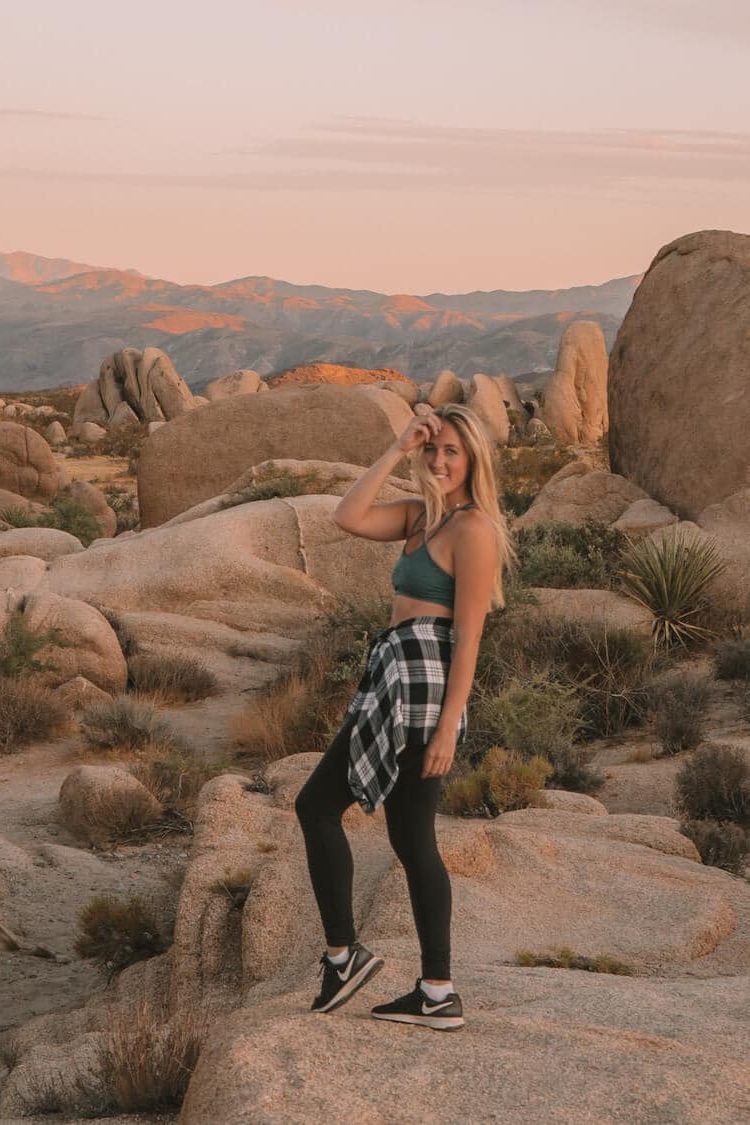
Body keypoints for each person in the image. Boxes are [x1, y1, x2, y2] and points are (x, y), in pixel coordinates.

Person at [294, 402, 513, 1030]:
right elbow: (347, 516)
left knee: (328, 810)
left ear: (474, 461)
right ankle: (432, 990)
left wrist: (450, 725)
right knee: (406, 838)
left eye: (452, 452)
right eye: (432, 450)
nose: (439, 461)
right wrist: (396, 445)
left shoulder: (474, 530)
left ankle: (354, 960)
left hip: (424, 690)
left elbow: (469, 635)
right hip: (392, 680)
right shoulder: (419, 517)